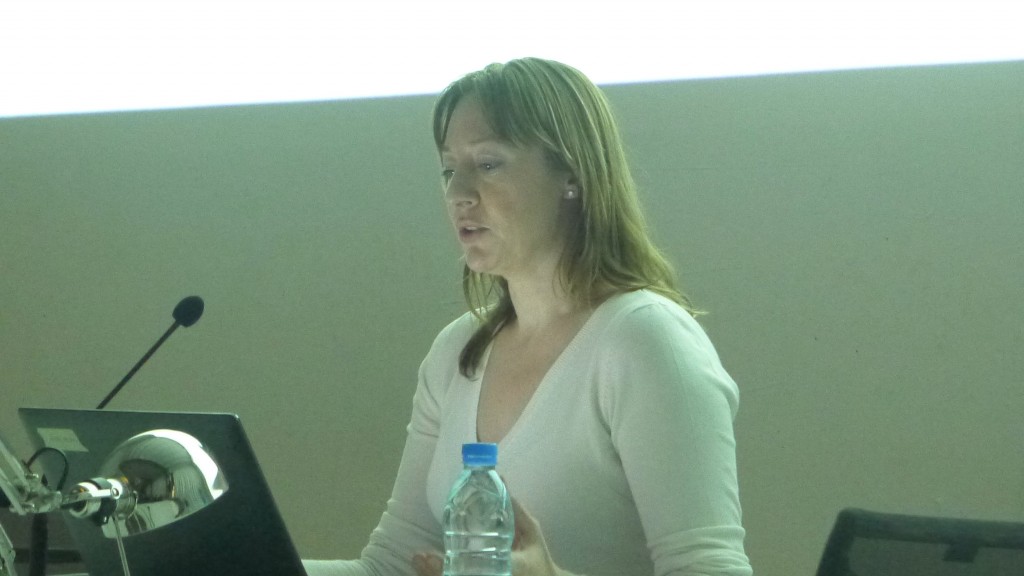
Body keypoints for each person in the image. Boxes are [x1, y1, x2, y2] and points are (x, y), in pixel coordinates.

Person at [303, 57, 753, 576]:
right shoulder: (455, 351)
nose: (458, 194)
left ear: (572, 174)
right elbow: (389, 568)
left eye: (488, 164)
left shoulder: (646, 339)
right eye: (449, 170)